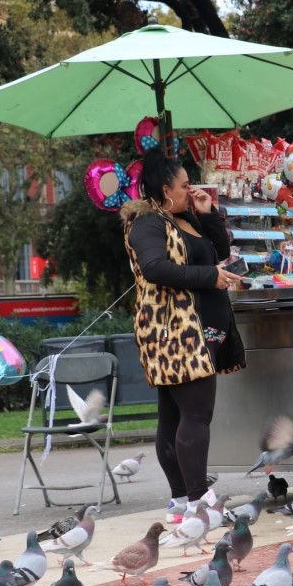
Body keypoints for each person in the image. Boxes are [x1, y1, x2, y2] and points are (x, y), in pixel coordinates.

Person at [121, 145, 245, 523]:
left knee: (175, 416)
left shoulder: (183, 218)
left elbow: (218, 251)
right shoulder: (147, 223)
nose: (191, 190)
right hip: (174, 331)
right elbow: (155, 268)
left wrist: (206, 214)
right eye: (185, 185)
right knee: (195, 414)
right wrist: (210, 277)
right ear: (163, 190)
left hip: (196, 327)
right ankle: (196, 500)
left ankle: (180, 500)